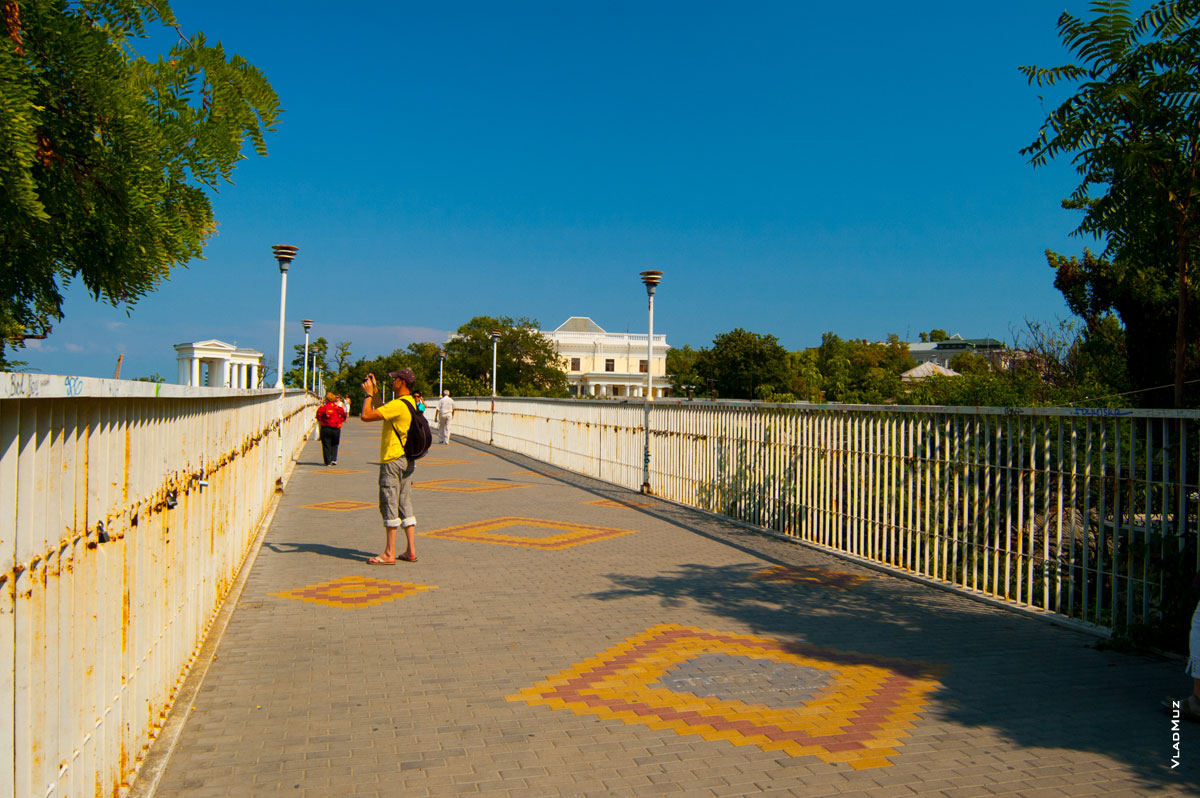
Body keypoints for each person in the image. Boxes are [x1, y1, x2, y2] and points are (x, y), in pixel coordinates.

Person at [359, 368, 420, 564]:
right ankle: (410, 550)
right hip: (407, 459)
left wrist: (368, 395)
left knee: (389, 502)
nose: (392, 383)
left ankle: (389, 552)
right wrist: (375, 392)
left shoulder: (398, 405)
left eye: (395, 380)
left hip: (392, 458)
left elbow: (367, 415)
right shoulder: (409, 403)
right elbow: (382, 410)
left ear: (402, 382)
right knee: (404, 502)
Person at [315, 392, 347, 466]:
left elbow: (319, 417)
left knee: (326, 444)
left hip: (326, 428)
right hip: (336, 428)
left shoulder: (322, 408)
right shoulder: (339, 409)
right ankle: (333, 459)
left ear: (326, 399)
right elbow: (343, 417)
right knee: (335, 444)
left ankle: (327, 461)